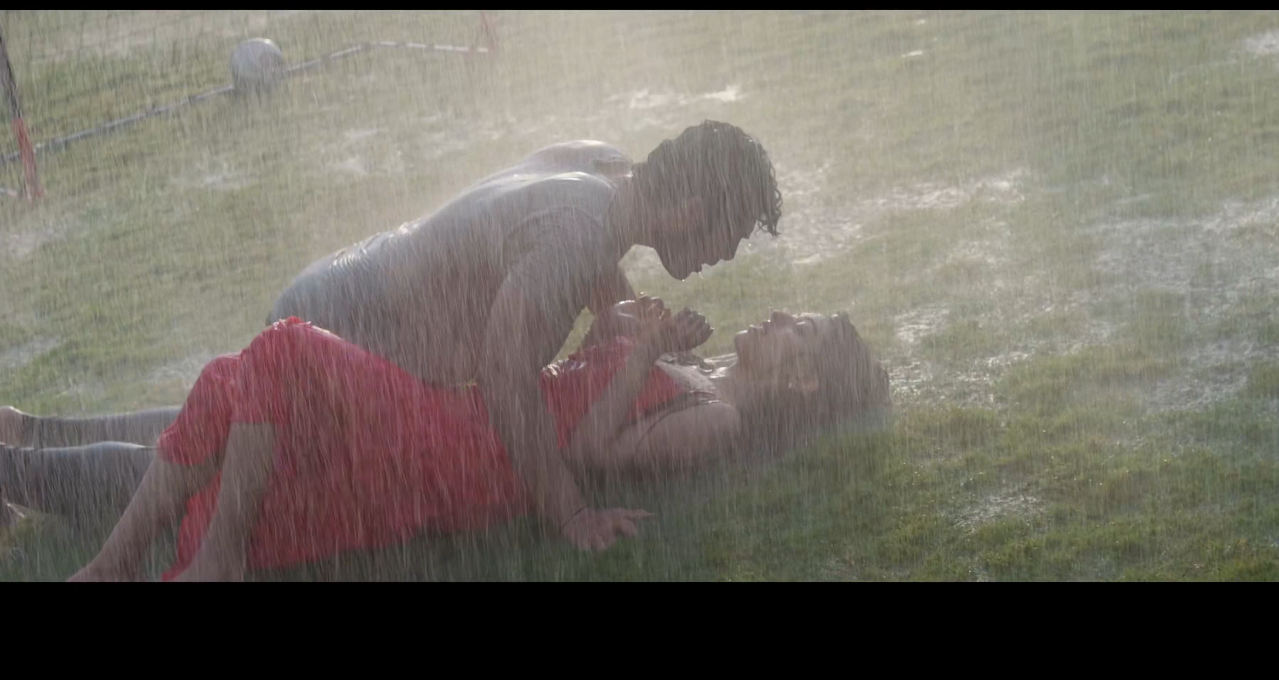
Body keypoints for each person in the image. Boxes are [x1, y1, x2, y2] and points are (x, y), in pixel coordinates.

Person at [1, 121, 784, 552]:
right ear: (691, 212)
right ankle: (15, 475)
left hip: (338, 287)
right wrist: (568, 510)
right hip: (349, 333)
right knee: (213, 471)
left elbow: (563, 259)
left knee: (212, 426)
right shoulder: (585, 232)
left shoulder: (600, 169)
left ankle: (27, 434)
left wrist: (624, 316)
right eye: (733, 233)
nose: (727, 254)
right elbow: (505, 375)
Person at [2, 299, 888, 581]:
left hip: (480, 459)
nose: (782, 317)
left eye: (800, 332)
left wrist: (644, 354)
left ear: (804, 382)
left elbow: (594, 452)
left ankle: (206, 557)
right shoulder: (697, 362)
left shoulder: (721, 420)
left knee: (280, 350)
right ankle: (109, 561)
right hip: (466, 415)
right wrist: (625, 331)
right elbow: (580, 380)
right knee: (231, 384)